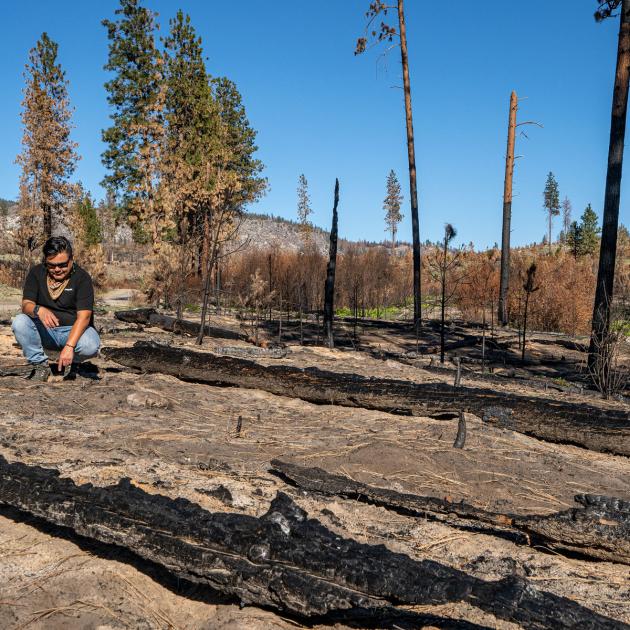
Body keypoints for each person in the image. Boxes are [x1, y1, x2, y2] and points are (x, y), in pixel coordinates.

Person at [12, 236, 100, 381]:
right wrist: (38, 309)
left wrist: (70, 346)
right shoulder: (36, 273)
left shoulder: (82, 278)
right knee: (19, 322)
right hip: (46, 332)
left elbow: (84, 317)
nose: (57, 269)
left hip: (73, 331)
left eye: (63, 264)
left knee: (90, 344)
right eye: (51, 265)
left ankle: (74, 364)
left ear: (72, 259)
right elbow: (26, 305)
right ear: (45, 261)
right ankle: (40, 366)